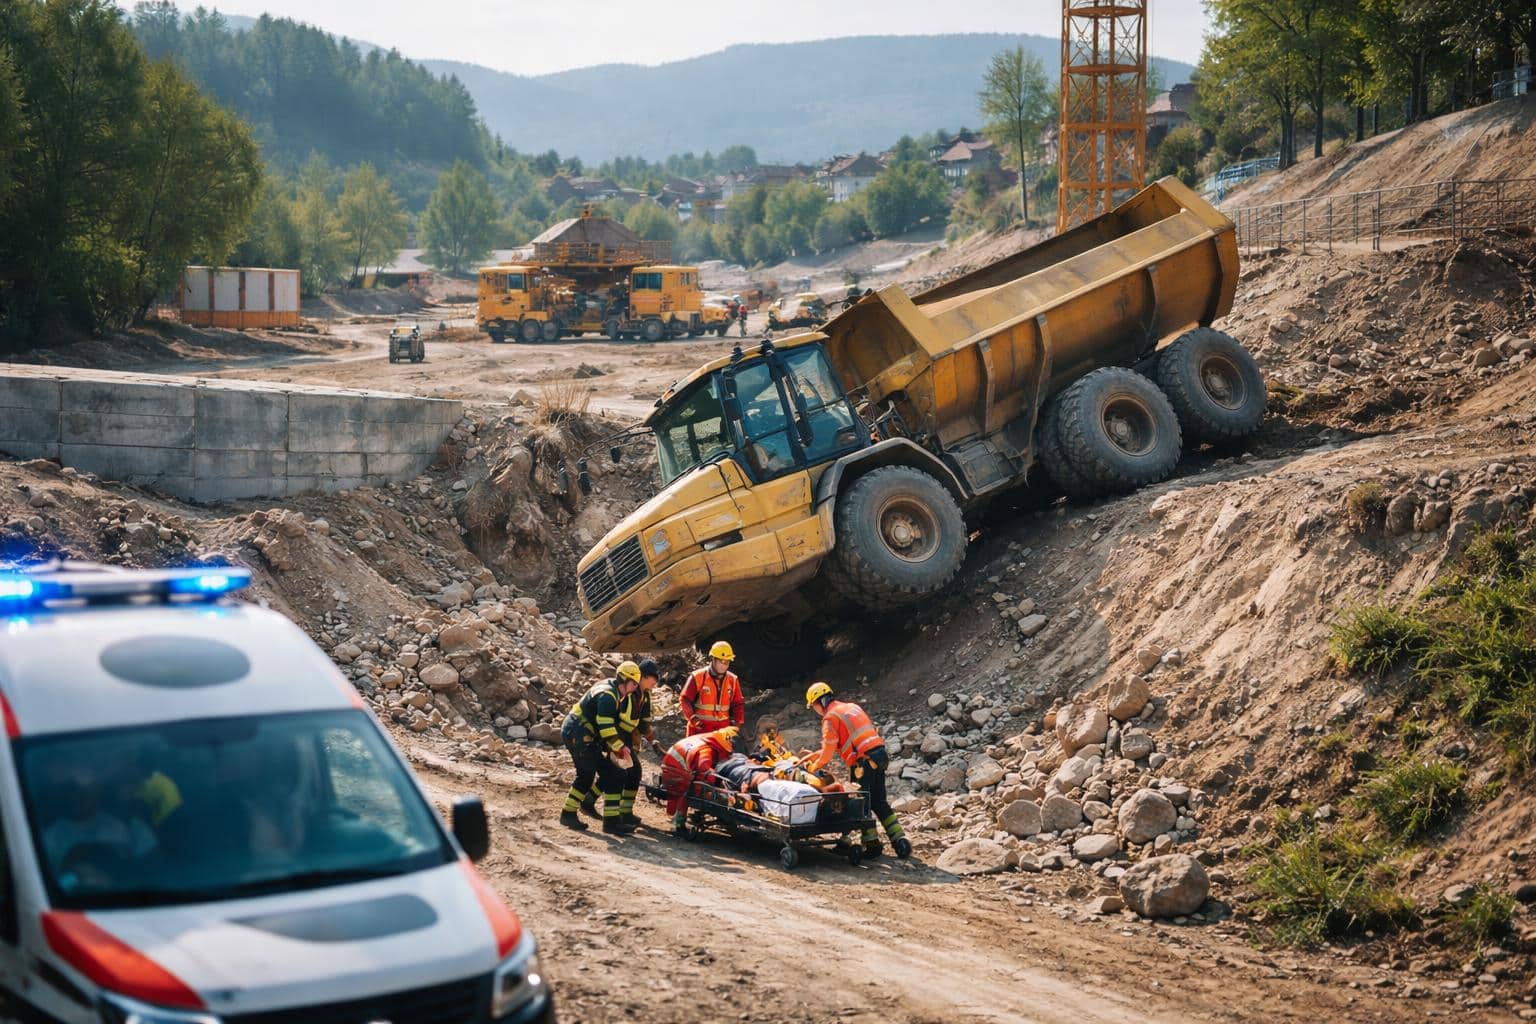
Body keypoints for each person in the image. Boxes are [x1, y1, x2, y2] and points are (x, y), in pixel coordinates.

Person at [803, 682, 911, 859]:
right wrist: (817, 754)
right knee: (879, 801)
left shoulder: (830, 718)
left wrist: (815, 766)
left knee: (862, 805)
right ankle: (900, 841)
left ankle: (872, 845)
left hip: (863, 763)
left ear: (818, 702)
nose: (815, 710)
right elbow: (847, 739)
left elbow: (829, 750)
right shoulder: (851, 707)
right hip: (879, 756)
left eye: (813, 706)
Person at [560, 661, 642, 835]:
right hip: (578, 733)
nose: (635, 688)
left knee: (613, 773)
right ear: (625, 680)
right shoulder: (608, 696)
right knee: (588, 774)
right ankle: (570, 814)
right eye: (634, 684)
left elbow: (605, 726)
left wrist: (616, 747)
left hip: (580, 732)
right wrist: (620, 747)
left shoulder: (614, 692)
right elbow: (605, 726)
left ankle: (608, 821)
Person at [581, 658, 662, 827]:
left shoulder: (644, 696)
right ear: (643, 677)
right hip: (616, 735)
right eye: (653, 679)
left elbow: (643, 722)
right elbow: (612, 718)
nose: (654, 684)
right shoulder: (627, 692)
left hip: (627, 737)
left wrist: (652, 740)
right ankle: (618, 815)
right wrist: (614, 742)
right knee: (624, 772)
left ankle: (594, 802)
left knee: (622, 772)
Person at [659, 727, 737, 834]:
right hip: (676, 772)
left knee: (699, 785)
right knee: (690, 792)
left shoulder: (709, 740)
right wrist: (717, 783)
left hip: (673, 767)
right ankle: (679, 824)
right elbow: (704, 768)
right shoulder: (706, 750)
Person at [679, 642, 745, 736]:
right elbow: (684, 699)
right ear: (713, 659)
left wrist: (737, 725)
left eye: (727, 662)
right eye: (721, 661)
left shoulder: (732, 680)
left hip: (723, 732)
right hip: (700, 730)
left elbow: (738, 704)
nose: (724, 665)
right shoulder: (697, 677)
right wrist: (693, 719)